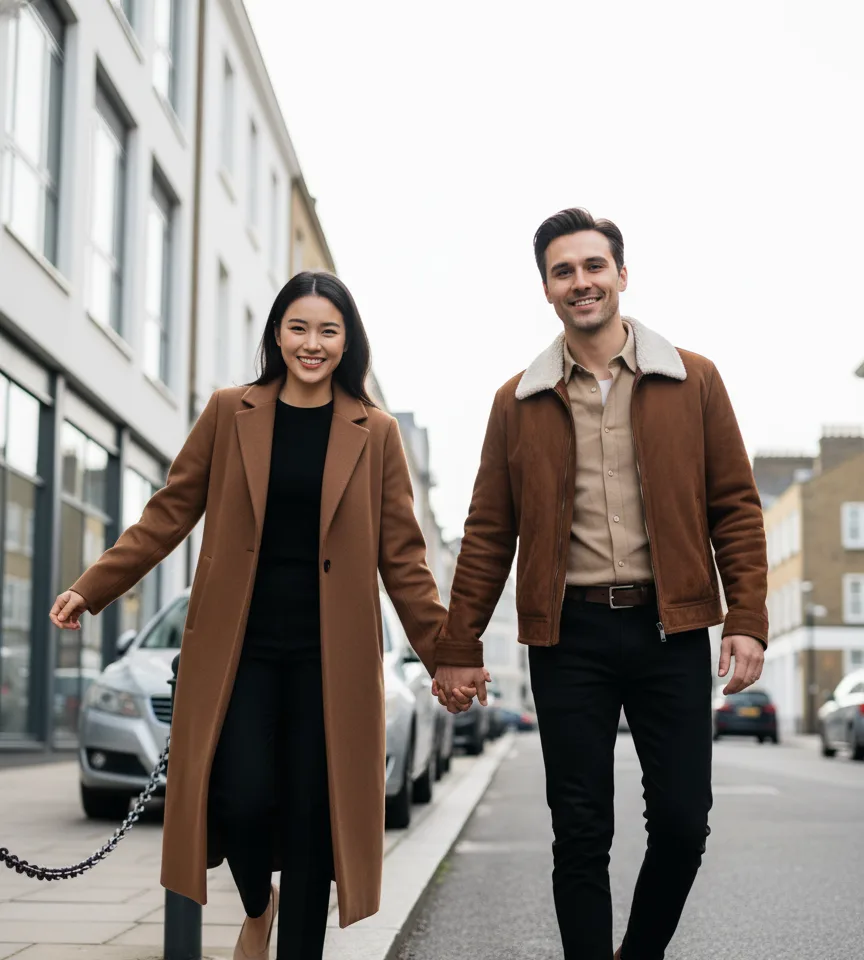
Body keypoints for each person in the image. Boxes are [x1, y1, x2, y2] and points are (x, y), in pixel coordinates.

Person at [49, 272, 449, 960]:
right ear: (276, 335)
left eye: (328, 330)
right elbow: (169, 512)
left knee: (313, 820)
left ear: (348, 341)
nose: (312, 344)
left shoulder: (376, 432)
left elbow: (404, 557)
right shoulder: (230, 411)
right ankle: (259, 906)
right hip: (240, 650)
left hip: (331, 659)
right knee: (238, 797)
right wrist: (94, 587)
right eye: (299, 328)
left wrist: (448, 655)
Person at [432, 208, 768, 959]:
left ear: (621, 274)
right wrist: (458, 646)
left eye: (593, 266)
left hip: (671, 629)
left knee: (682, 822)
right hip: (569, 636)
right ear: (547, 289)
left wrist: (746, 616)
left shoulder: (693, 379)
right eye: (563, 271)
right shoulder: (517, 401)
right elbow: (488, 531)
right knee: (580, 830)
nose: (580, 282)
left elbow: (736, 507)